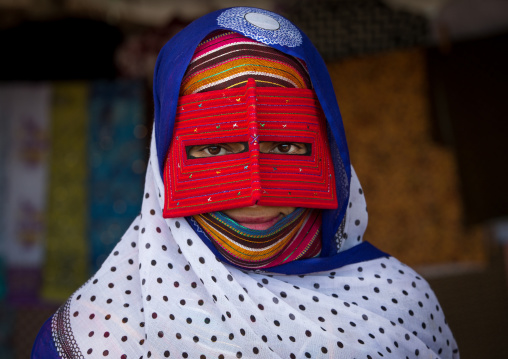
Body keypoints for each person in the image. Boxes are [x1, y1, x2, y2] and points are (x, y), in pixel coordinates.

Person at [32, 7, 459, 359]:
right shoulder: (97, 339)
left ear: (330, 149)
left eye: (288, 147)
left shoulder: (401, 305)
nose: (256, 194)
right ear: (164, 165)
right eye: (215, 150)